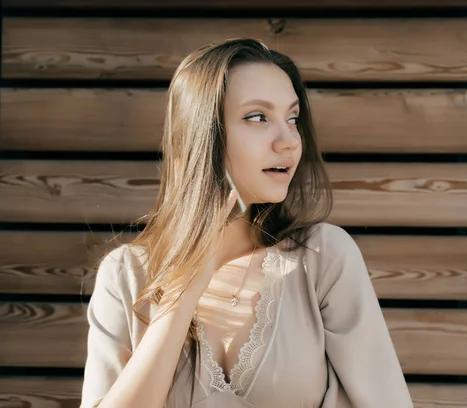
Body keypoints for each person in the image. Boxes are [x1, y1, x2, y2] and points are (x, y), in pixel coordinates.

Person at [80, 38, 414, 408]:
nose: (288, 141)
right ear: (202, 135)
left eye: (292, 118)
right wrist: (183, 292)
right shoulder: (125, 275)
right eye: (257, 117)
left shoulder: (323, 258)